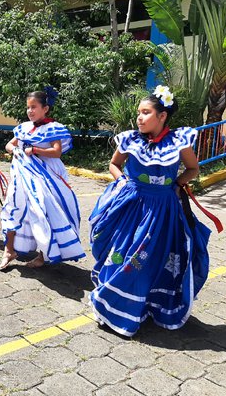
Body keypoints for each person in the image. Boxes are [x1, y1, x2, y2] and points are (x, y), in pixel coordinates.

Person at [88, 86, 212, 336]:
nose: (139, 118)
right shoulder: (130, 139)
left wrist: (177, 185)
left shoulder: (179, 141)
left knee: (148, 259)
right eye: (138, 113)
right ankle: (110, 304)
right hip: (131, 205)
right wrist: (122, 182)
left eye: (146, 113)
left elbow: (193, 169)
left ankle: (142, 306)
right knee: (122, 252)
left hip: (162, 211)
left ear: (162, 116)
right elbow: (114, 164)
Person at [0, 87, 85, 270]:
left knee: (44, 211)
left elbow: (56, 152)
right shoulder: (24, 128)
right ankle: (9, 249)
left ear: (45, 109)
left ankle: (43, 254)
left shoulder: (53, 128)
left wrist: (35, 150)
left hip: (46, 176)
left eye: (34, 107)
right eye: (28, 107)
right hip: (22, 175)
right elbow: (9, 145)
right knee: (13, 205)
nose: (30, 111)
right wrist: (15, 150)